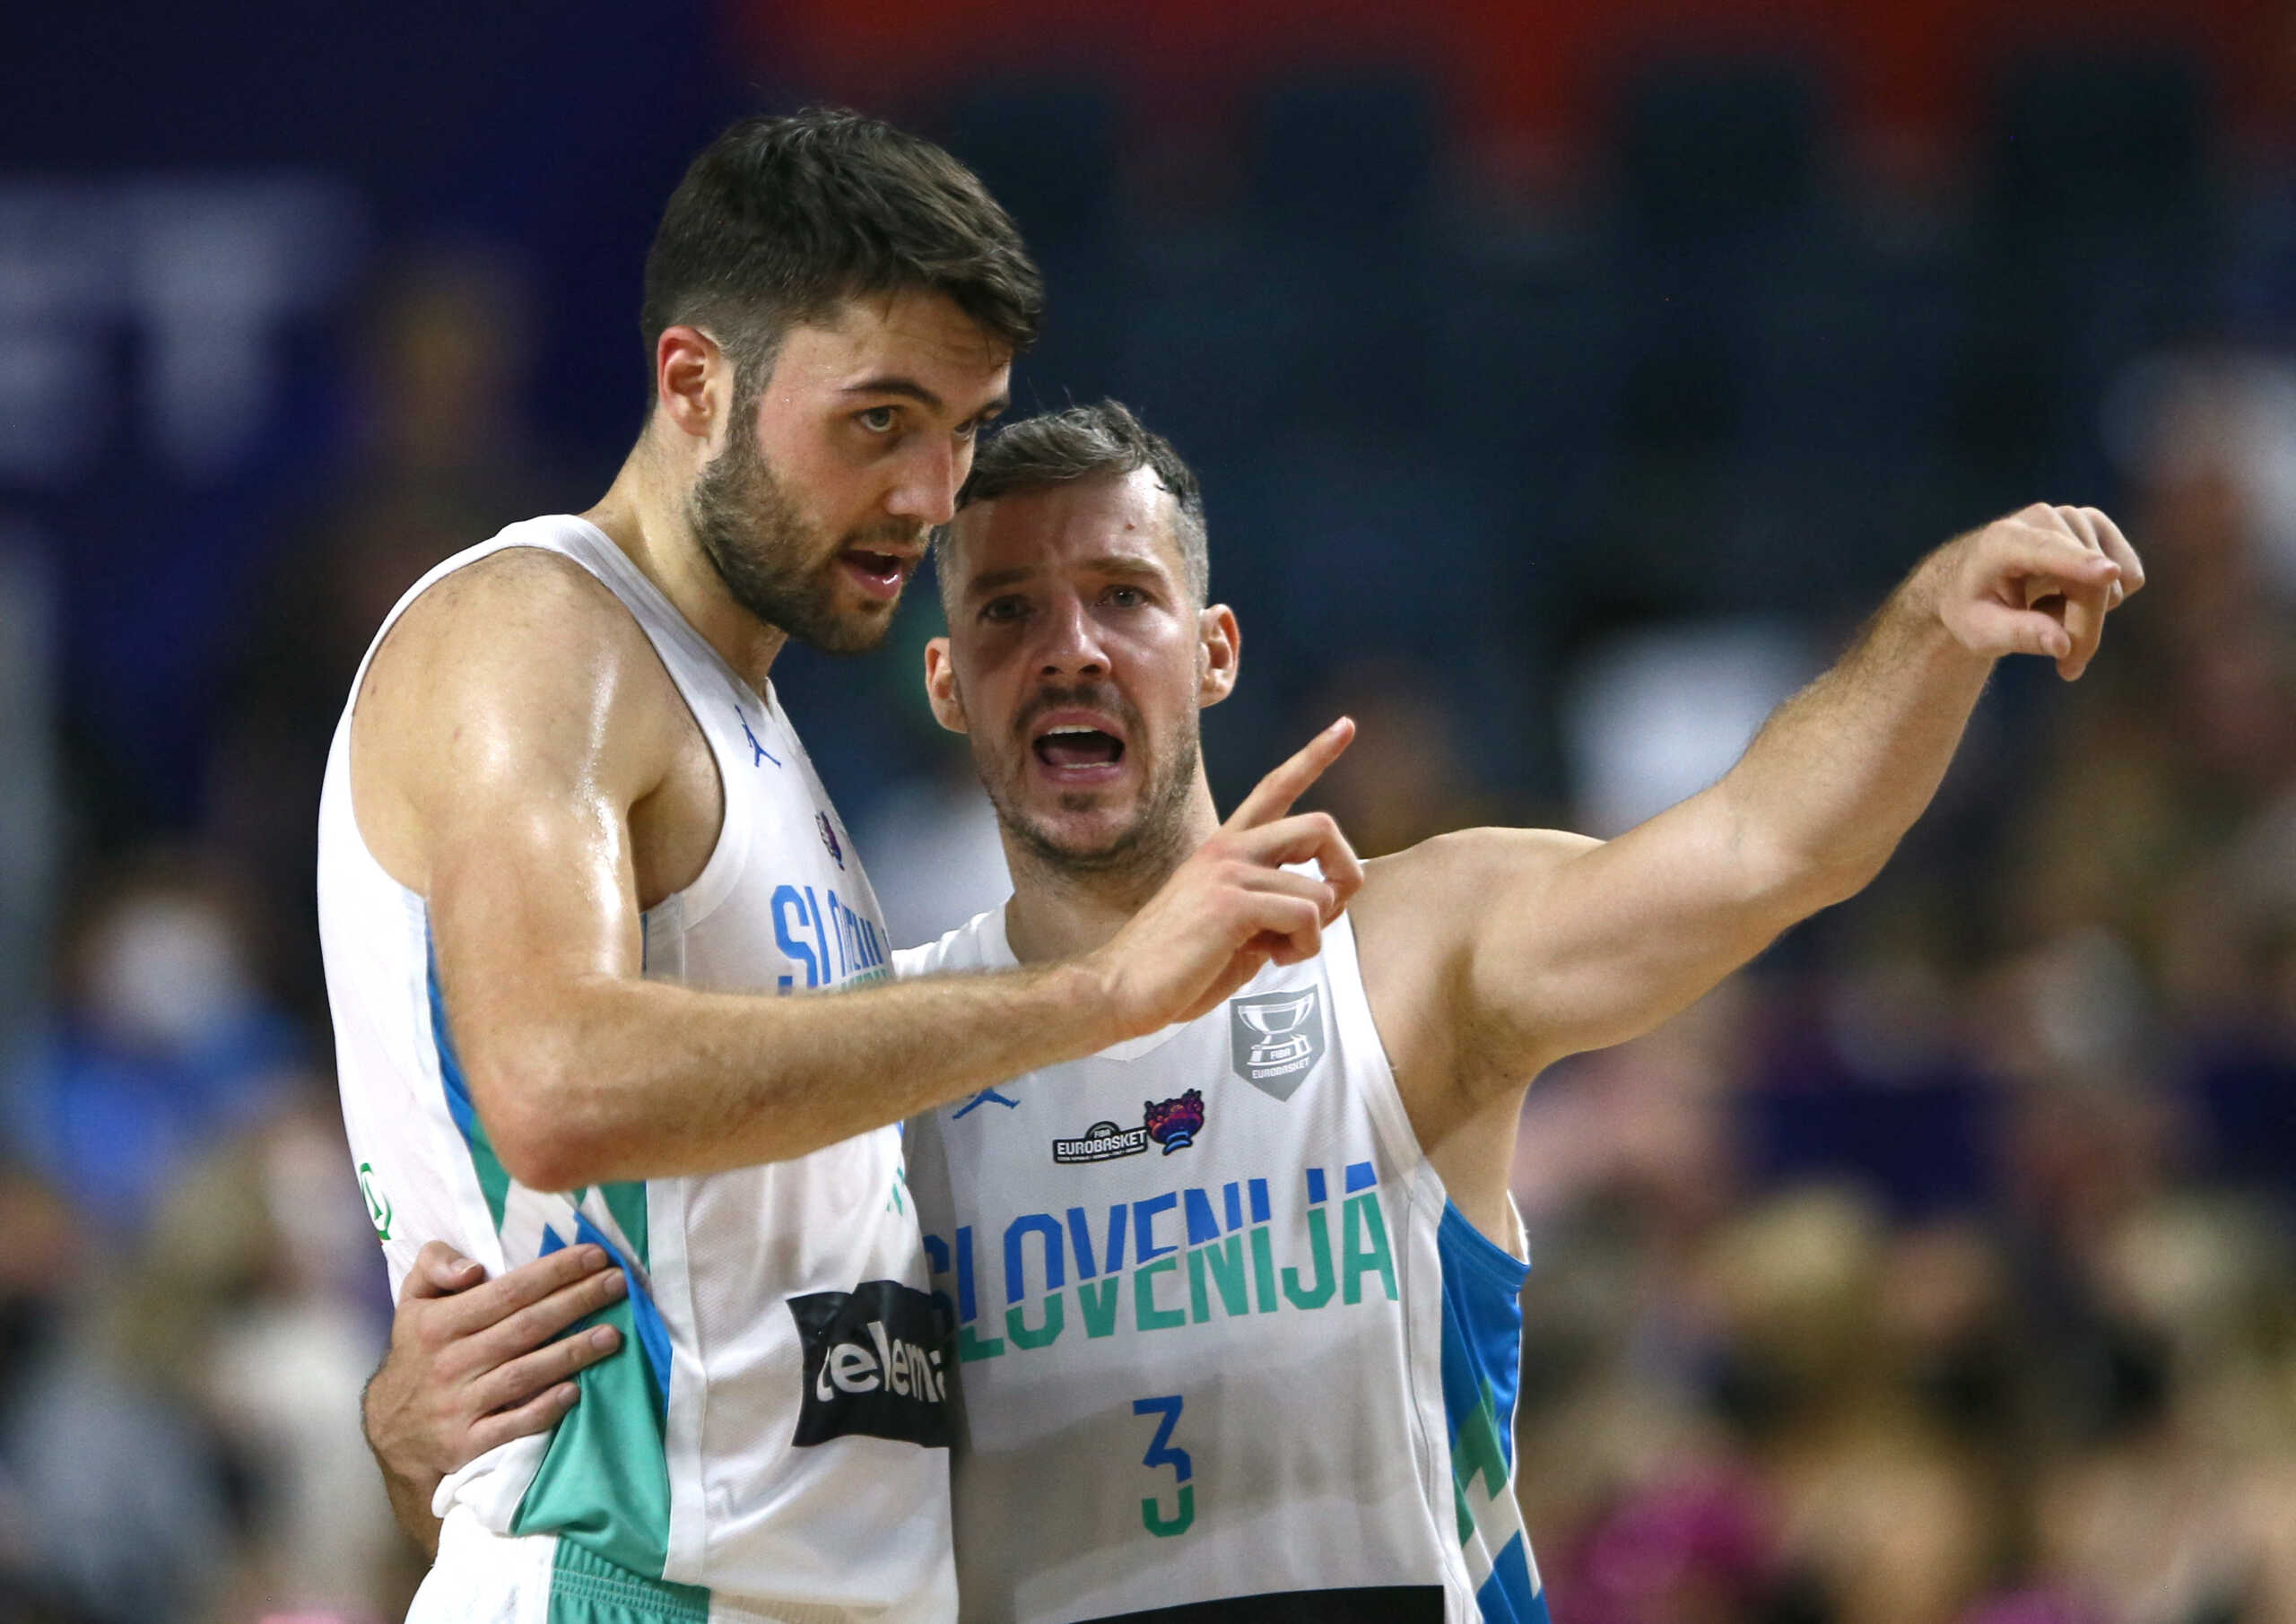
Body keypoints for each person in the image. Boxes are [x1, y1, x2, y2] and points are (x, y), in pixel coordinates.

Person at [364, 401, 2143, 1622]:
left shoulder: (1404, 949)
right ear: (947, 682)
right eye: (1007, 612)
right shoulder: (873, 1055)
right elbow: (682, 1445)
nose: (1069, 648)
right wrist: (420, 1432)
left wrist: (1924, 629)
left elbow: (1762, 845)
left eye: (1121, 599)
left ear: (1209, 652)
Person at [320, 120, 1364, 1624]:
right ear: (696, 384)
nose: (935, 492)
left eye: (966, 427)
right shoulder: (535, 632)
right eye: (880, 421)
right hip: (645, 1590)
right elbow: (552, 1082)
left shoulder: (749, 722)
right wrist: (1100, 994)